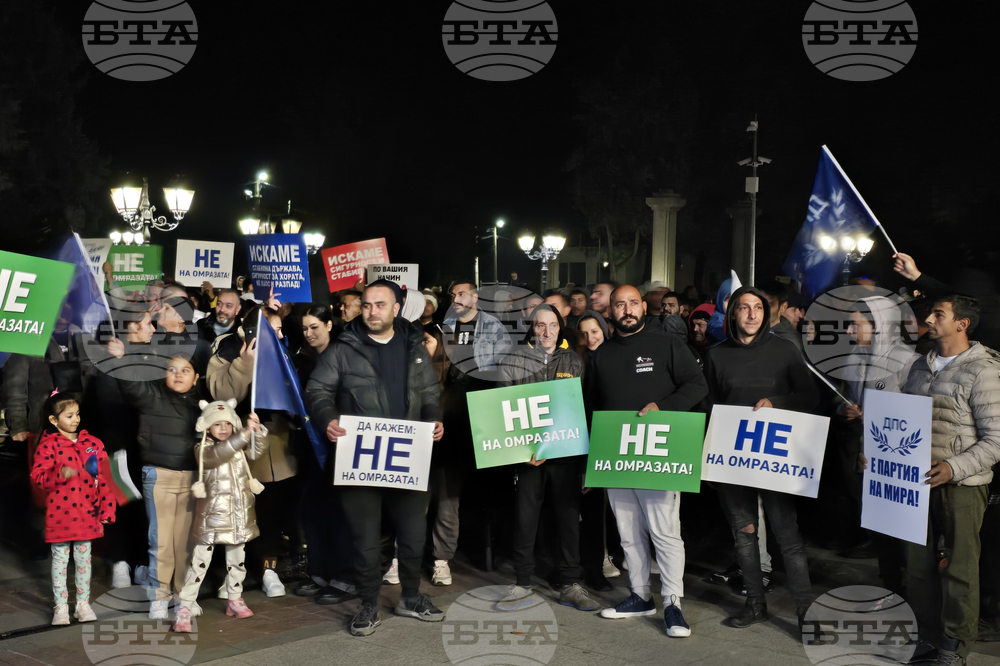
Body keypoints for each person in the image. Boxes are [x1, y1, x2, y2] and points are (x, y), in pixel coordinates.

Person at [306, 280, 445, 637]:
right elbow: (317, 390)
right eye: (367, 305)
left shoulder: (414, 345)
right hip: (360, 456)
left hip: (408, 455)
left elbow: (430, 390)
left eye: (380, 305)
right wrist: (328, 419)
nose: (372, 312)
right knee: (365, 538)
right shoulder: (342, 348)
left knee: (414, 535)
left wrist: (434, 419)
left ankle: (411, 598)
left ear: (396, 308)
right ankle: (368, 604)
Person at [592, 285, 708, 638]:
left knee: (665, 532)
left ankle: (673, 603)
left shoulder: (668, 344)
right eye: (618, 305)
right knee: (628, 533)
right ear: (610, 312)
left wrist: (664, 407)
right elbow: (593, 406)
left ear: (644, 307)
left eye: (632, 303)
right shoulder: (602, 354)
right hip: (615, 454)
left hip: (659, 453)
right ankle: (640, 595)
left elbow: (696, 385)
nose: (626, 309)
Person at [704, 286, 818, 631]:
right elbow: (707, 408)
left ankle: (806, 614)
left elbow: (810, 395)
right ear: (733, 314)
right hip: (732, 461)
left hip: (776, 459)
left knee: (788, 538)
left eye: (758, 308)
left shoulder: (785, 350)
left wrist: (776, 402)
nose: (752, 314)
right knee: (744, 534)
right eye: (743, 308)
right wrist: (708, 461)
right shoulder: (716, 355)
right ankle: (755, 604)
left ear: (766, 314)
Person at [900, 294, 1000, 665]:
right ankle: (926, 636)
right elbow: (903, 423)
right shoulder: (919, 367)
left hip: (961, 487)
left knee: (959, 568)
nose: (928, 318)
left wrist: (954, 467)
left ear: (962, 324)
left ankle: (954, 647)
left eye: (938, 314)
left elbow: (996, 439)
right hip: (915, 483)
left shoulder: (983, 369)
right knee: (915, 566)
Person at [493, 305, 596, 612]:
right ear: (532, 328)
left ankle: (569, 583)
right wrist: (519, 452)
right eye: (540, 326)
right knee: (525, 519)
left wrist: (583, 463)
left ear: (560, 327)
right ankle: (522, 582)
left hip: (565, 455)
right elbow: (503, 407)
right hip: (529, 456)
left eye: (552, 325)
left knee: (568, 519)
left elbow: (583, 411)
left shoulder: (574, 361)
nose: (547, 332)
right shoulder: (514, 360)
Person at [107, 340, 204, 619]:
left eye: (185, 370)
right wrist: (119, 358)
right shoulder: (151, 395)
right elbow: (129, 384)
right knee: (159, 541)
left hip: (192, 479)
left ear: (196, 377)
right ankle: (159, 597)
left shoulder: (203, 405)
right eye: (172, 369)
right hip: (158, 476)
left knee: (185, 542)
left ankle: (183, 596)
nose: (177, 374)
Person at [436, 280, 511, 586]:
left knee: (486, 487)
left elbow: (504, 369)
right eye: (452, 294)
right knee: (449, 488)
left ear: (475, 297)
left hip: (483, 410)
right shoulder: (446, 325)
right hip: (450, 413)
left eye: (461, 294)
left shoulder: (493, 327)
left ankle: (488, 549)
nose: (456, 298)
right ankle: (443, 555)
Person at [173, 402, 268, 632]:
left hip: (238, 516)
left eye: (228, 423)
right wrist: (243, 434)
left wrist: (258, 432)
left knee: (237, 561)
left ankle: (234, 599)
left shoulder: (238, 446)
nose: (224, 428)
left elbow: (255, 451)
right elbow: (219, 454)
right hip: (212, 518)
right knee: (199, 563)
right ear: (207, 427)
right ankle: (185, 606)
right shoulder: (203, 449)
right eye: (217, 423)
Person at [30, 392, 116, 626]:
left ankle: (82, 604)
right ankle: (60, 607)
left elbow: (106, 478)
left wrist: (108, 508)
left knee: (84, 560)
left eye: (77, 414)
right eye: (69, 416)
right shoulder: (48, 445)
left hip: (88, 514)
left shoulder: (94, 444)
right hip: (60, 516)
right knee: (59, 561)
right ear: (53, 420)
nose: (76, 419)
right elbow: (38, 477)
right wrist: (58, 473)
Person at [293, 305, 355, 604]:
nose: (309, 333)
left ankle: (344, 576)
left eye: (314, 326)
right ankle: (319, 572)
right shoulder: (299, 360)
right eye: (305, 328)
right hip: (311, 446)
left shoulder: (347, 355)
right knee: (315, 510)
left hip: (342, 443)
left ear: (330, 325)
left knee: (342, 511)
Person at [759, 280, 804, 353]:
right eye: (758, 304)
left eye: (769, 304)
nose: (761, 309)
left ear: (783, 307)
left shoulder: (788, 343)